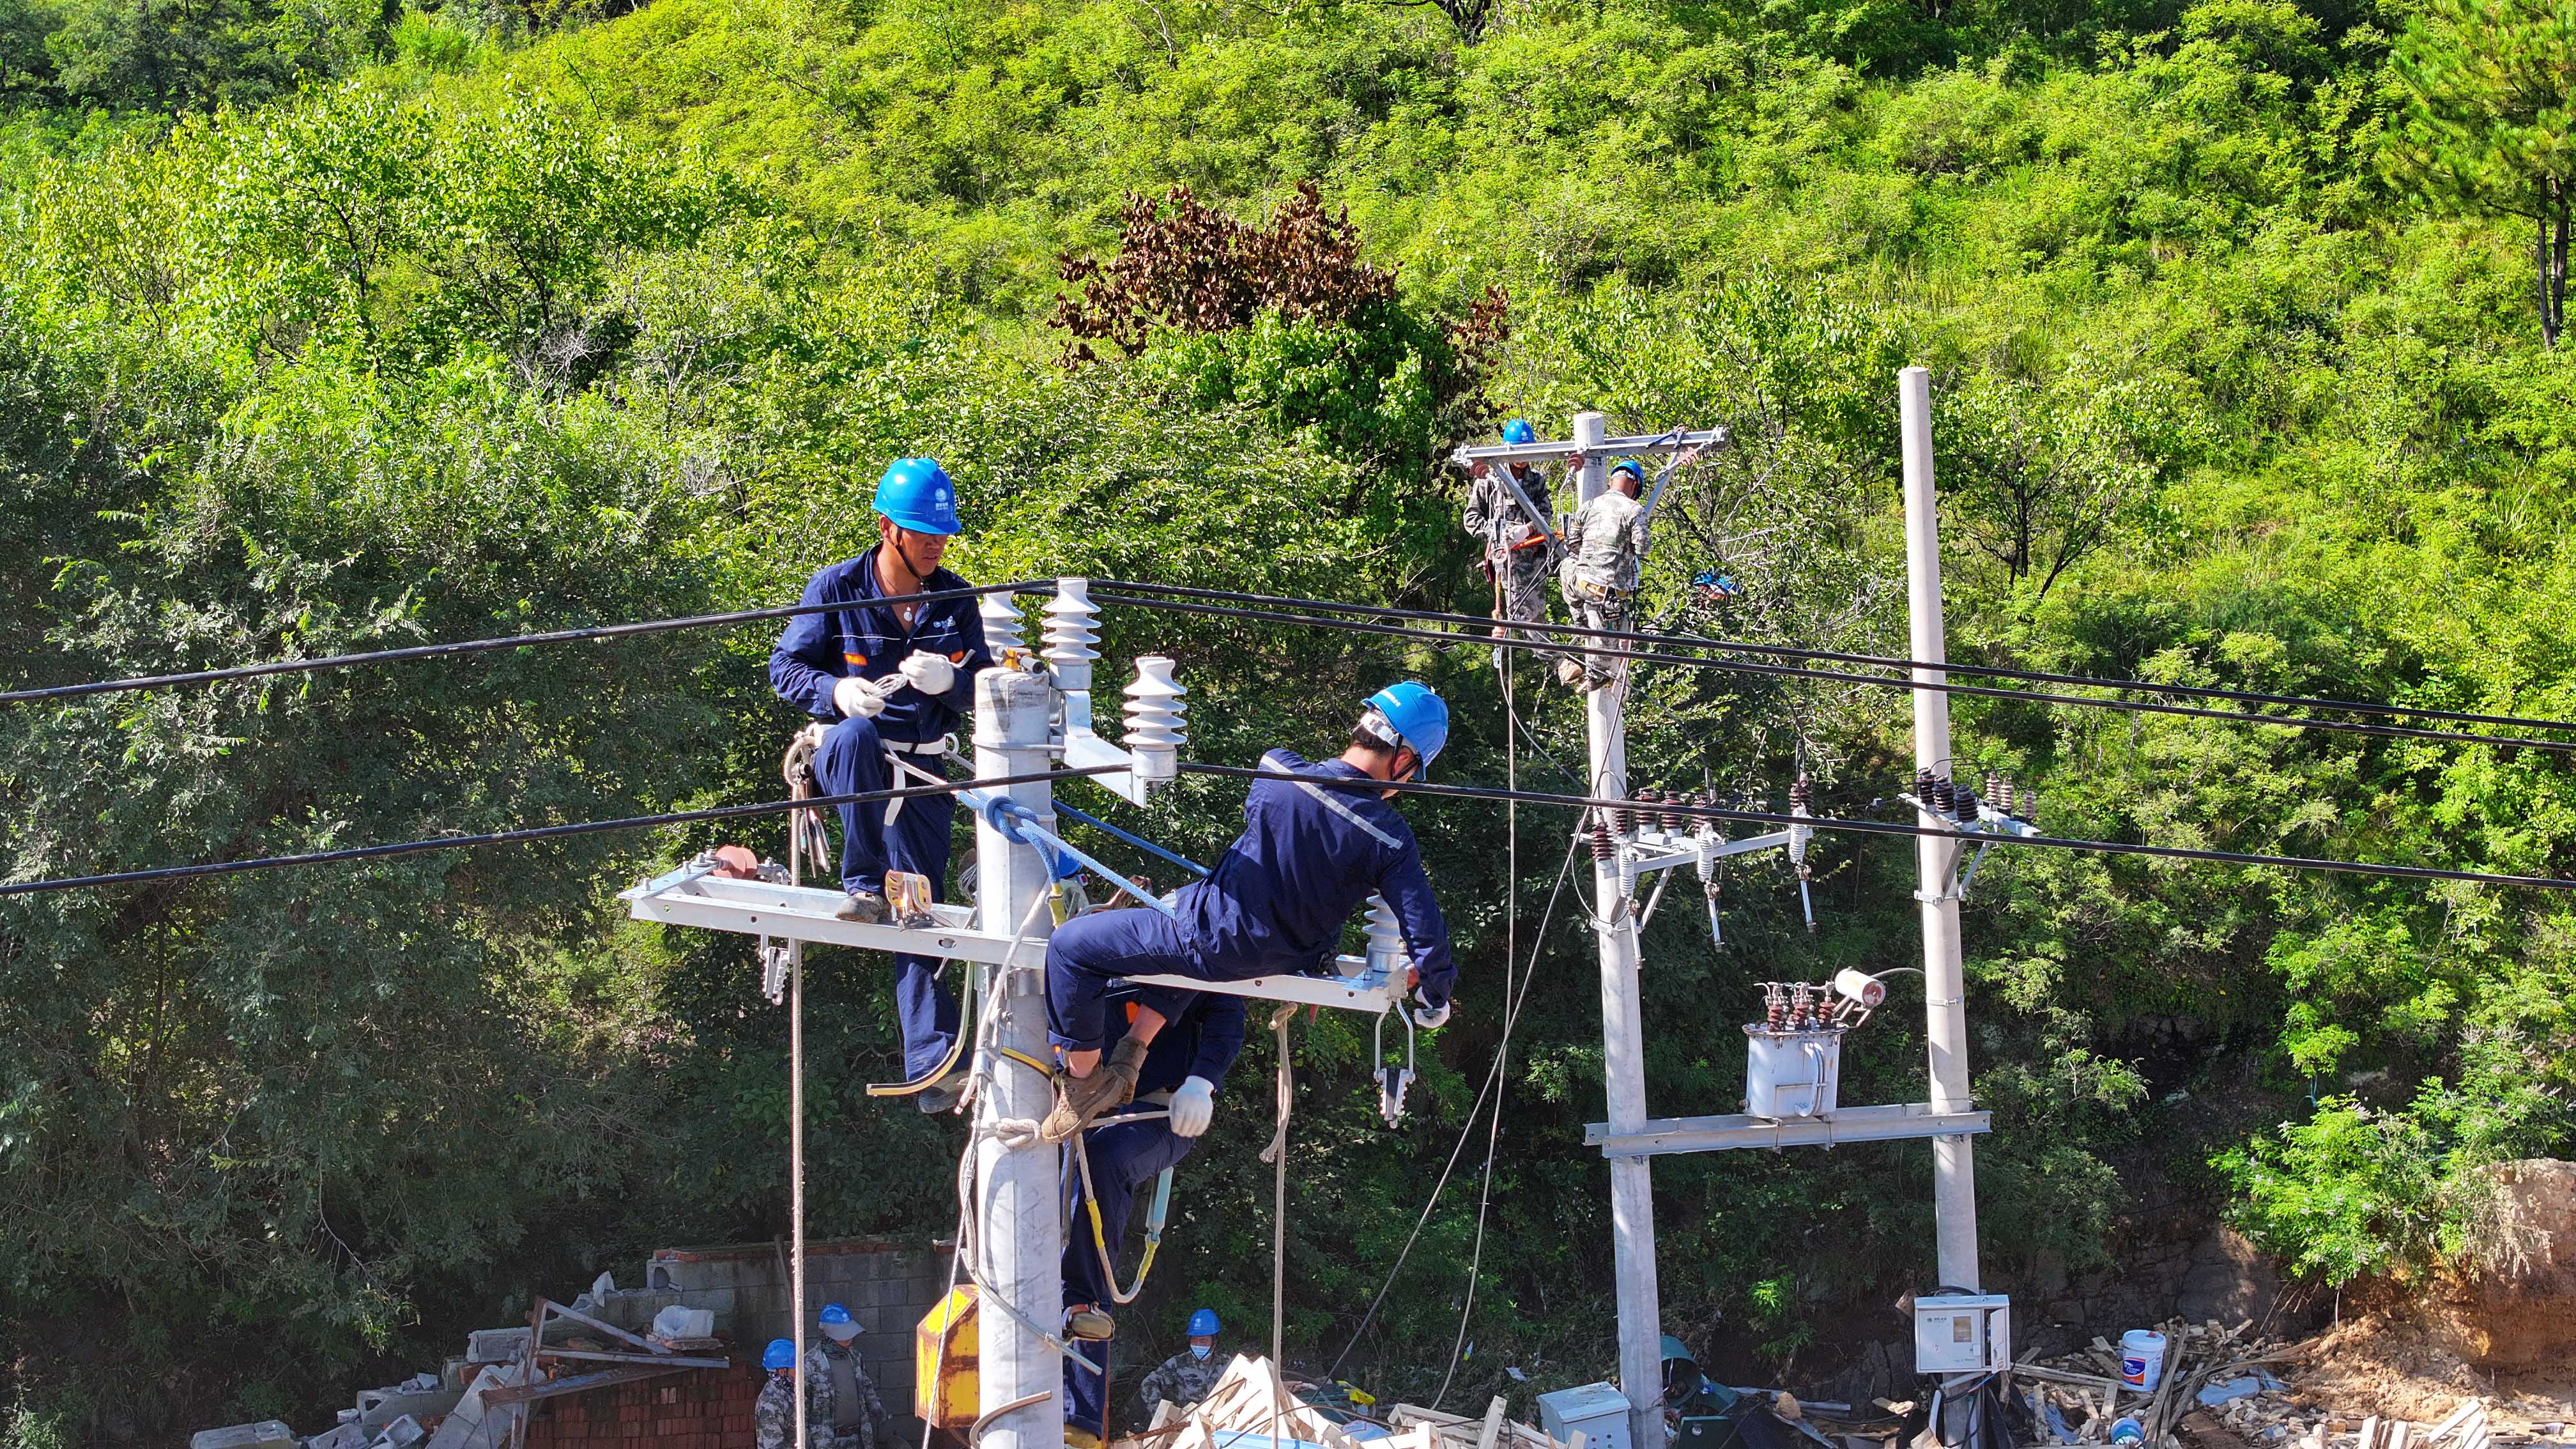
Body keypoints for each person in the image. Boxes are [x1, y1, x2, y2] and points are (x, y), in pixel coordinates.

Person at [1038, 684, 1458, 1142]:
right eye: (1411, 773)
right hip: (1285, 958)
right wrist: (1436, 994)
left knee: (1070, 948)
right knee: (1188, 925)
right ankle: (1131, 1054)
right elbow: (1425, 931)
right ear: (1401, 760)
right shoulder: (1390, 838)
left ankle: (1082, 1085)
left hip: (1210, 937)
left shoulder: (1278, 770)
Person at [769, 457, 994, 1111]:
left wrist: (954, 681)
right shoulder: (838, 587)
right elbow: (786, 667)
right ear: (887, 528)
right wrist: (834, 688)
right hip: (853, 758)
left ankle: (934, 1063)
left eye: (941, 535)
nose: (935, 545)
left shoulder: (954, 599)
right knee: (853, 736)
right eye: (923, 533)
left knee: (917, 911)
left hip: (922, 775)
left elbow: (991, 690)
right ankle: (860, 882)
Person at [1059, 992, 1246, 1445]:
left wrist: (1202, 1082)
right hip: (1085, 1109)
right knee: (1035, 1210)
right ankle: (1066, 1409)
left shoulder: (1179, 962)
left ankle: (1081, 1412)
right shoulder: (1088, 965)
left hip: (1161, 1112)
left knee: (1104, 1163)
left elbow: (1227, 1016)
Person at [1464, 419, 1563, 670]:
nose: (1523, 459)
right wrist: (1500, 532)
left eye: (1527, 453)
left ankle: (1568, 658)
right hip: (1506, 562)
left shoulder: (1537, 482)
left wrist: (1528, 529)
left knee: (1535, 614)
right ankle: (1558, 664)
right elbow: (1471, 518)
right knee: (1521, 616)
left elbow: (1546, 514)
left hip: (1534, 561)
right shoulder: (1491, 481)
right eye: (1519, 453)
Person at [1558, 457, 1652, 691]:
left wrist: (1592, 558)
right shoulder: (1634, 509)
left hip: (1583, 585)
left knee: (1568, 565)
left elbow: (1572, 541)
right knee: (1601, 661)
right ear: (1634, 486)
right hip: (1611, 594)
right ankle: (1598, 671)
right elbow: (1644, 548)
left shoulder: (1589, 506)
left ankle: (1578, 617)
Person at [806, 1303, 893, 1449]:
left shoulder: (854, 1356)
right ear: (828, 1336)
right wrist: (806, 1440)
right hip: (826, 1441)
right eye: (843, 1335)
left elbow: (866, 1386)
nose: (849, 1340)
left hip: (856, 1439)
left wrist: (875, 1406)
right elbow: (802, 1407)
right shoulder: (810, 1364)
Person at [1136, 1309, 1229, 1420]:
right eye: (1194, 1340)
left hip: (1219, 1425)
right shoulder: (1179, 1363)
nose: (1198, 1345)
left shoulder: (1226, 1363)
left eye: (1203, 1341)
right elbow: (1149, 1383)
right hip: (1184, 1427)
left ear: (1215, 1341)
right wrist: (1162, 1415)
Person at [753, 1338, 803, 1449]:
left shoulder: (791, 1391)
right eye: (795, 1368)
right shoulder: (770, 1404)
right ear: (782, 1371)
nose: (800, 1372)